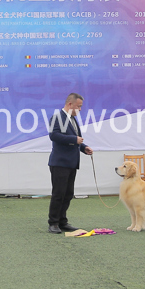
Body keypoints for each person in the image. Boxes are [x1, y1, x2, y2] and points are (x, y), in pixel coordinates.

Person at [47, 92, 93, 234]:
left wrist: (84, 148)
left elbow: (75, 140)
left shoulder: (73, 119)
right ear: (70, 104)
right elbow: (53, 135)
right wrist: (74, 140)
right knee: (58, 193)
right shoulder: (57, 117)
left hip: (71, 163)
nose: (80, 109)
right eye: (78, 106)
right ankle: (53, 223)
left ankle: (62, 221)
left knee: (68, 194)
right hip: (60, 162)